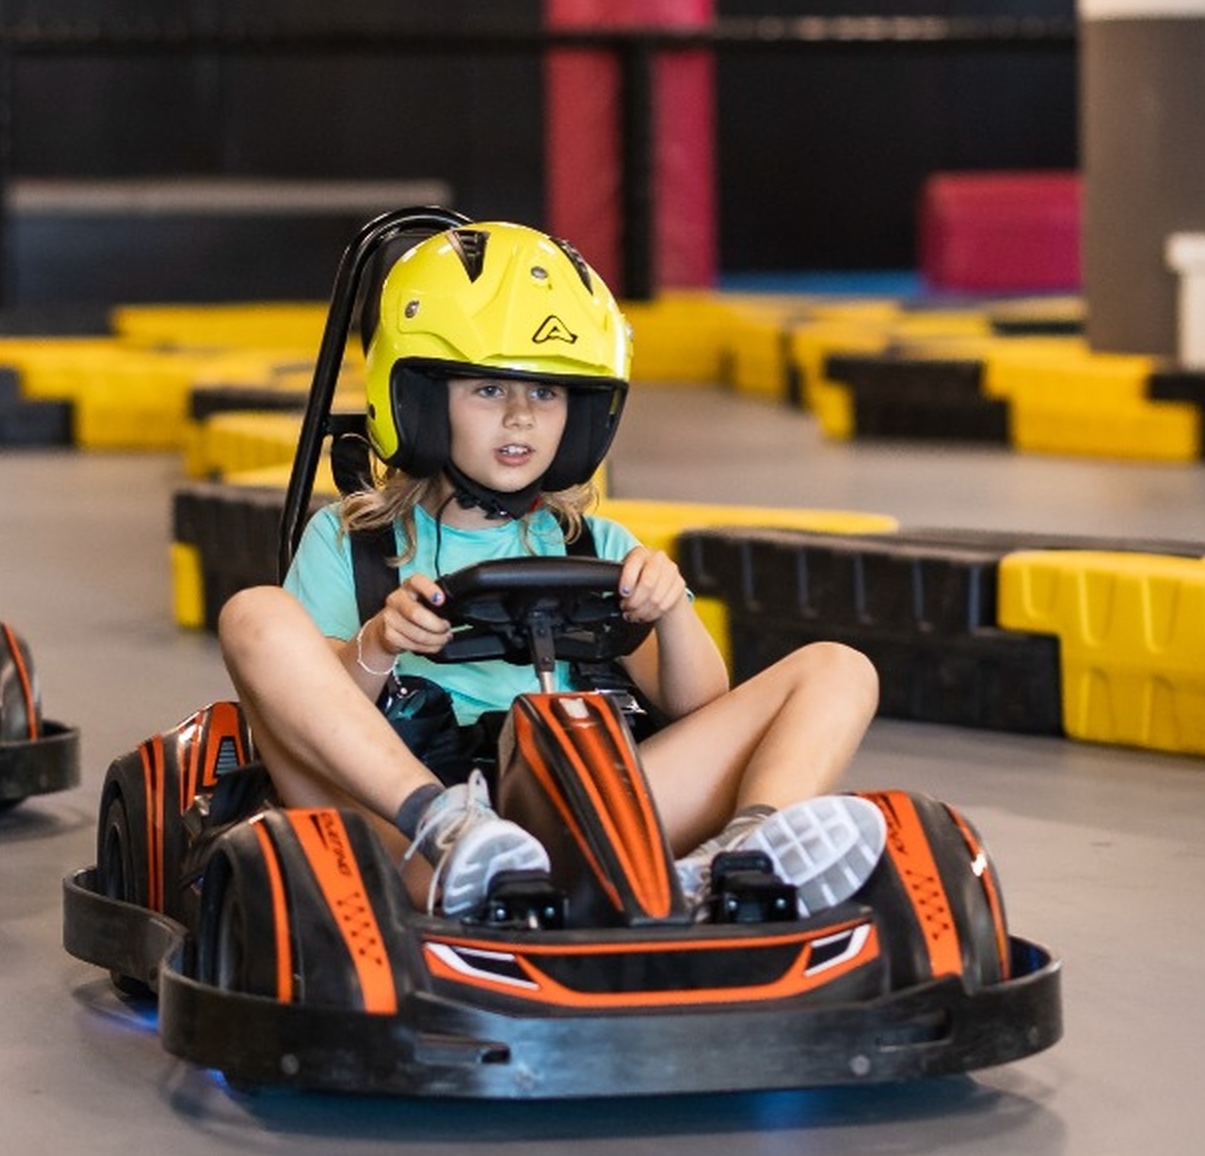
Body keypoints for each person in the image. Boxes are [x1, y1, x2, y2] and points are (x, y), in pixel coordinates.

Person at [217, 217, 883, 921]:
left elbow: (698, 709)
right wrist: (379, 643)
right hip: (404, 831)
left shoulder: (594, 544)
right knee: (253, 614)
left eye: (546, 394)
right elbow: (301, 713)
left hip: (587, 808)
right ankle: (454, 829)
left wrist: (670, 613)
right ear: (421, 402)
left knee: (839, 667)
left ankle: (738, 861)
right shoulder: (353, 544)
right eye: (488, 390)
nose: (521, 418)